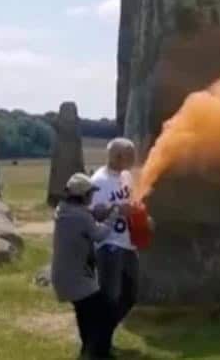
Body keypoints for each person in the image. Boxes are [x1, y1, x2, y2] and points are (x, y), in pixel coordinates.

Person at [51, 172, 124, 359]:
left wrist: (98, 213)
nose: (92, 196)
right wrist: (114, 215)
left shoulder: (64, 210)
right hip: (77, 278)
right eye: (90, 194)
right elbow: (99, 234)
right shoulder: (79, 217)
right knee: (106, 314)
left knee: (85, 315)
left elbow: (85, 218)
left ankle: (89, 351)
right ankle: (99, 352)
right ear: (83, 196)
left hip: (65, 276)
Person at [89, 138, 141, 335]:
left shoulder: (127, 176)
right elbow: (93, 214)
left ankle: (102, 331)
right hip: (109, 244)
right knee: (110, 295)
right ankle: (99, 340)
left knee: (131, 294)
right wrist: (116, 209)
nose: (133, 160)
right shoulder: (98, 182)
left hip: (128, 244)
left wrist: (144, 218)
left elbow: (133, 204)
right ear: (119, 157)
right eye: (130, 156)